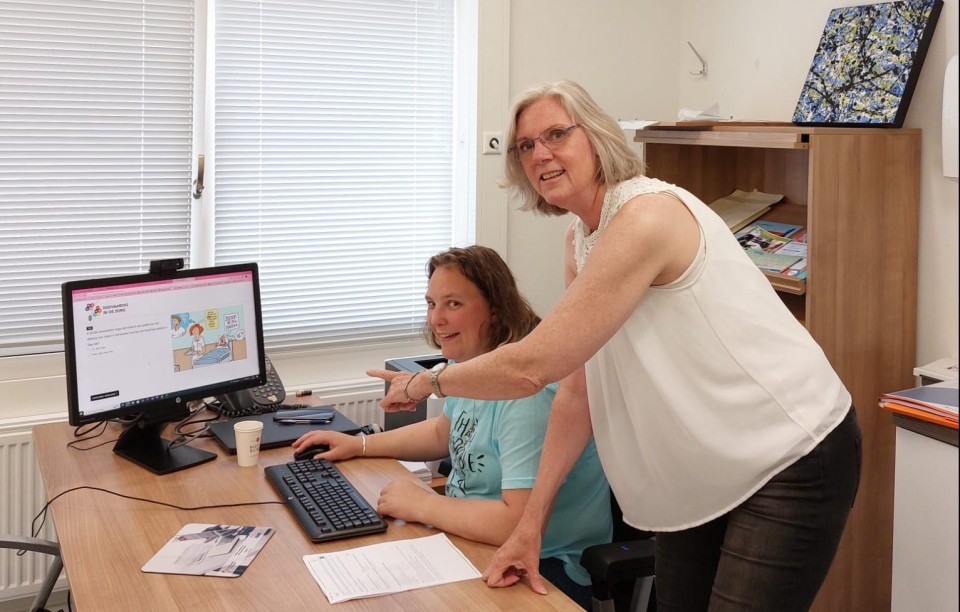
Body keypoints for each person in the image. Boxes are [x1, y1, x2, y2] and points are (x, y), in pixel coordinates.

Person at [367, 81, 862, 611]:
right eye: (526, 146)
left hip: (788, 450)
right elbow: (576, 391)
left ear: (597, 136)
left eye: (556, 134)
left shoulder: (648, 215)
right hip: (702, 466)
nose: (541, 154)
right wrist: (530, 525)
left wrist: (429, 380)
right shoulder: (580, 241)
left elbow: (536, 366)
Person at [294, 245, 611, 609]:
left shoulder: (528, 395)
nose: (436, 320)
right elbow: (442, 433)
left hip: (543, 567)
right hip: (472, 539)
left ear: (495, 309)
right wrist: (360, 445)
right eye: (431, 304)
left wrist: (423, 505)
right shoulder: (471, 370)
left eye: (453, 304)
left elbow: (517, 524)